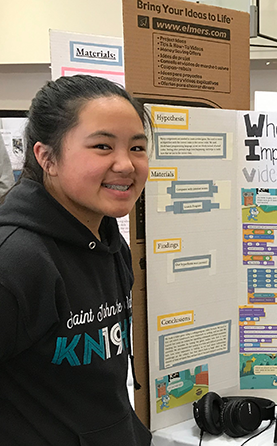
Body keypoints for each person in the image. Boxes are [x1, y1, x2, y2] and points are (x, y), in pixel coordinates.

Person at [0, 75, 152, 445]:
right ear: (46, 157)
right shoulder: (16, 261)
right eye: (102, 146)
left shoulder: (107, 239)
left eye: (137, 147)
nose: (126, 165)